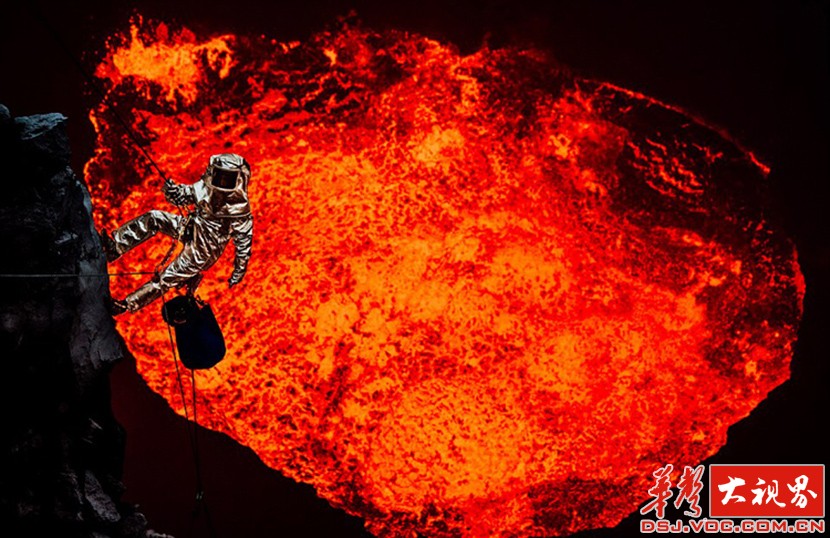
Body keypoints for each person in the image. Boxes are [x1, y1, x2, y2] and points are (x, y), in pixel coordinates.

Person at [101, 153, 254, 315]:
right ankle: (116, 247)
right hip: (190, 227)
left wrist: (238, 272)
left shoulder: (240, 212)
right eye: (220, 175)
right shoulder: (207, 185)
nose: (222, 181)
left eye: (227, 177)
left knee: (166, 277)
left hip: (203, 250)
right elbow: (186, 194)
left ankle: (126, 305)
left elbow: (243, 246)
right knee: (154, 218)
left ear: (239, 179)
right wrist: (173, 191)